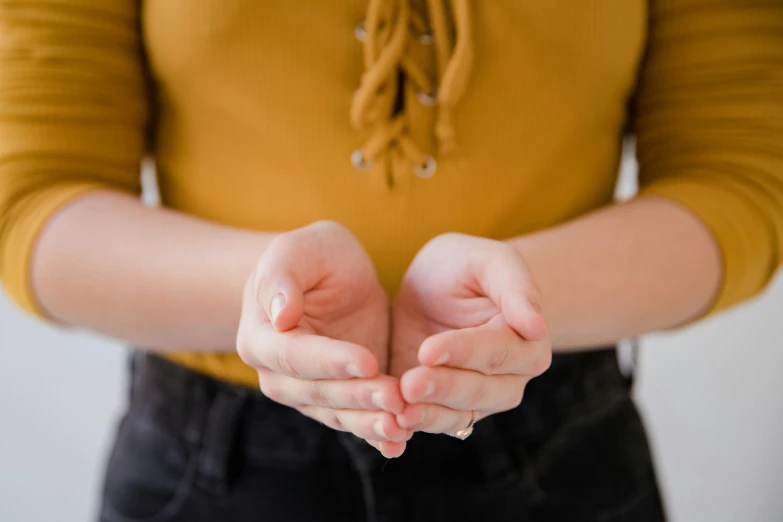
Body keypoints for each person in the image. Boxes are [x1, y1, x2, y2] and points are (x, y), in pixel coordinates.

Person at [0, 1, 781, 521]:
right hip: (214, 460)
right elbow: (30, 193)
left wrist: (518, 301)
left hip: (557, 444)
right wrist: (266, 292)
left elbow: (741, 180)